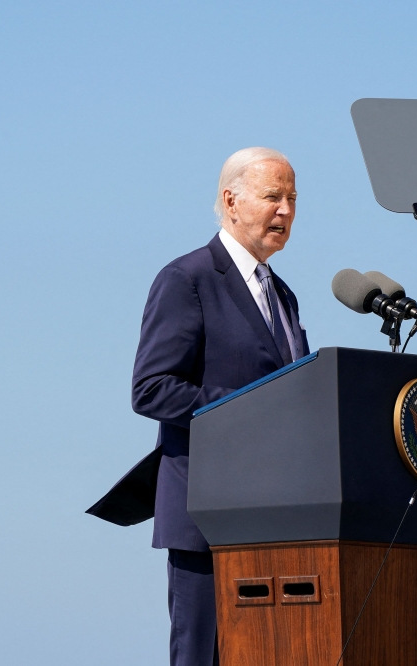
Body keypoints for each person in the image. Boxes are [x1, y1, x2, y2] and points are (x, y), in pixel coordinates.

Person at [131, 147, 310, 666]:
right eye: (272, 196)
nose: (286, 211)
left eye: (293, 198)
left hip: (279, 520)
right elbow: (152, 388)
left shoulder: (285, 296)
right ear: (231, 201)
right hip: (207, 518)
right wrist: (246, 409)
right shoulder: (187, 279)